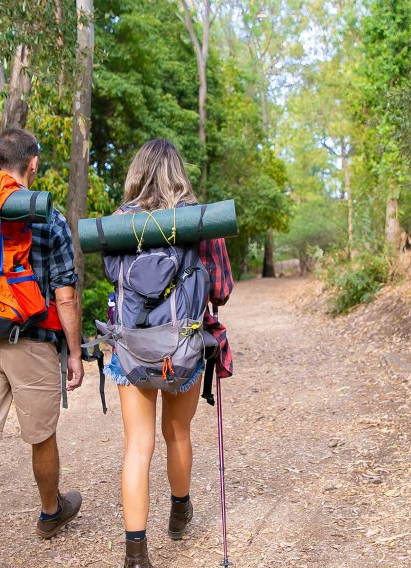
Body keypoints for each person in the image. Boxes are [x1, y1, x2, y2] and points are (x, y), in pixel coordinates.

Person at [0, 128, 85, 568]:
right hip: (29, 342)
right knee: (41, 435)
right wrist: (74, 353)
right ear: (32, 164)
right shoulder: (47, 216)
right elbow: (64, 294)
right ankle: (51, 512)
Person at [104, 139, 234, 568]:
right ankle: (179, 512)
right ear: (180, 172)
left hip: (132, 350)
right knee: (177, 432)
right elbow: (222, 291)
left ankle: (136, 555)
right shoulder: (199, 221)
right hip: (182, 348)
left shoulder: (120, 224)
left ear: (137, 172)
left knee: (137, 445)